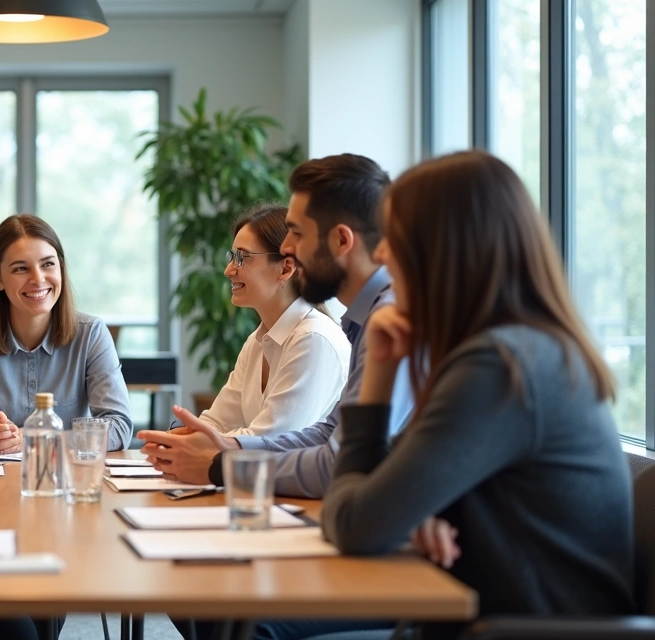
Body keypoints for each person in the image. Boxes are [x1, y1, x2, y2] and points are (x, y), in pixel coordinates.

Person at [321, 150, 634, 640]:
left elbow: (353, 523)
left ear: (442, 249)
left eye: (395, 238)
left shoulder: (500, 368)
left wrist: (379, 378)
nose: (380, 255)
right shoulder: (526, 351)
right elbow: (381, 494)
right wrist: (423, 510)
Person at [143, 154, 411, 640]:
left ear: (341, 241)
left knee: (234, 614)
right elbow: (331, 434)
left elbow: (336, 462)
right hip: (367, 527)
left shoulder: (381, 323)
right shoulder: (366, 320)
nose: (288, 250)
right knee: (194, 588)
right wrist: (228, 448)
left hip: (399, 554)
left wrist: (221, 462)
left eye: (296, 234)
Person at [0, 213, 133, 454]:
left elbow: (120, 427)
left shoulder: (91, 334)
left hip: (67, 482)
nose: (38, 279)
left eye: (48, 264)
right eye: (20, 268)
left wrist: (34, 438)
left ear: (61, 267)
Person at [191, 203, 350, 438]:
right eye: (232, 257)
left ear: (286, 268)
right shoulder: (257, 341)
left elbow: (270, 442)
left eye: (242, 258)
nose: (228, 270)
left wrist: (198, 442)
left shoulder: (314, 338)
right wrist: (176, 438)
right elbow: (217, 422)